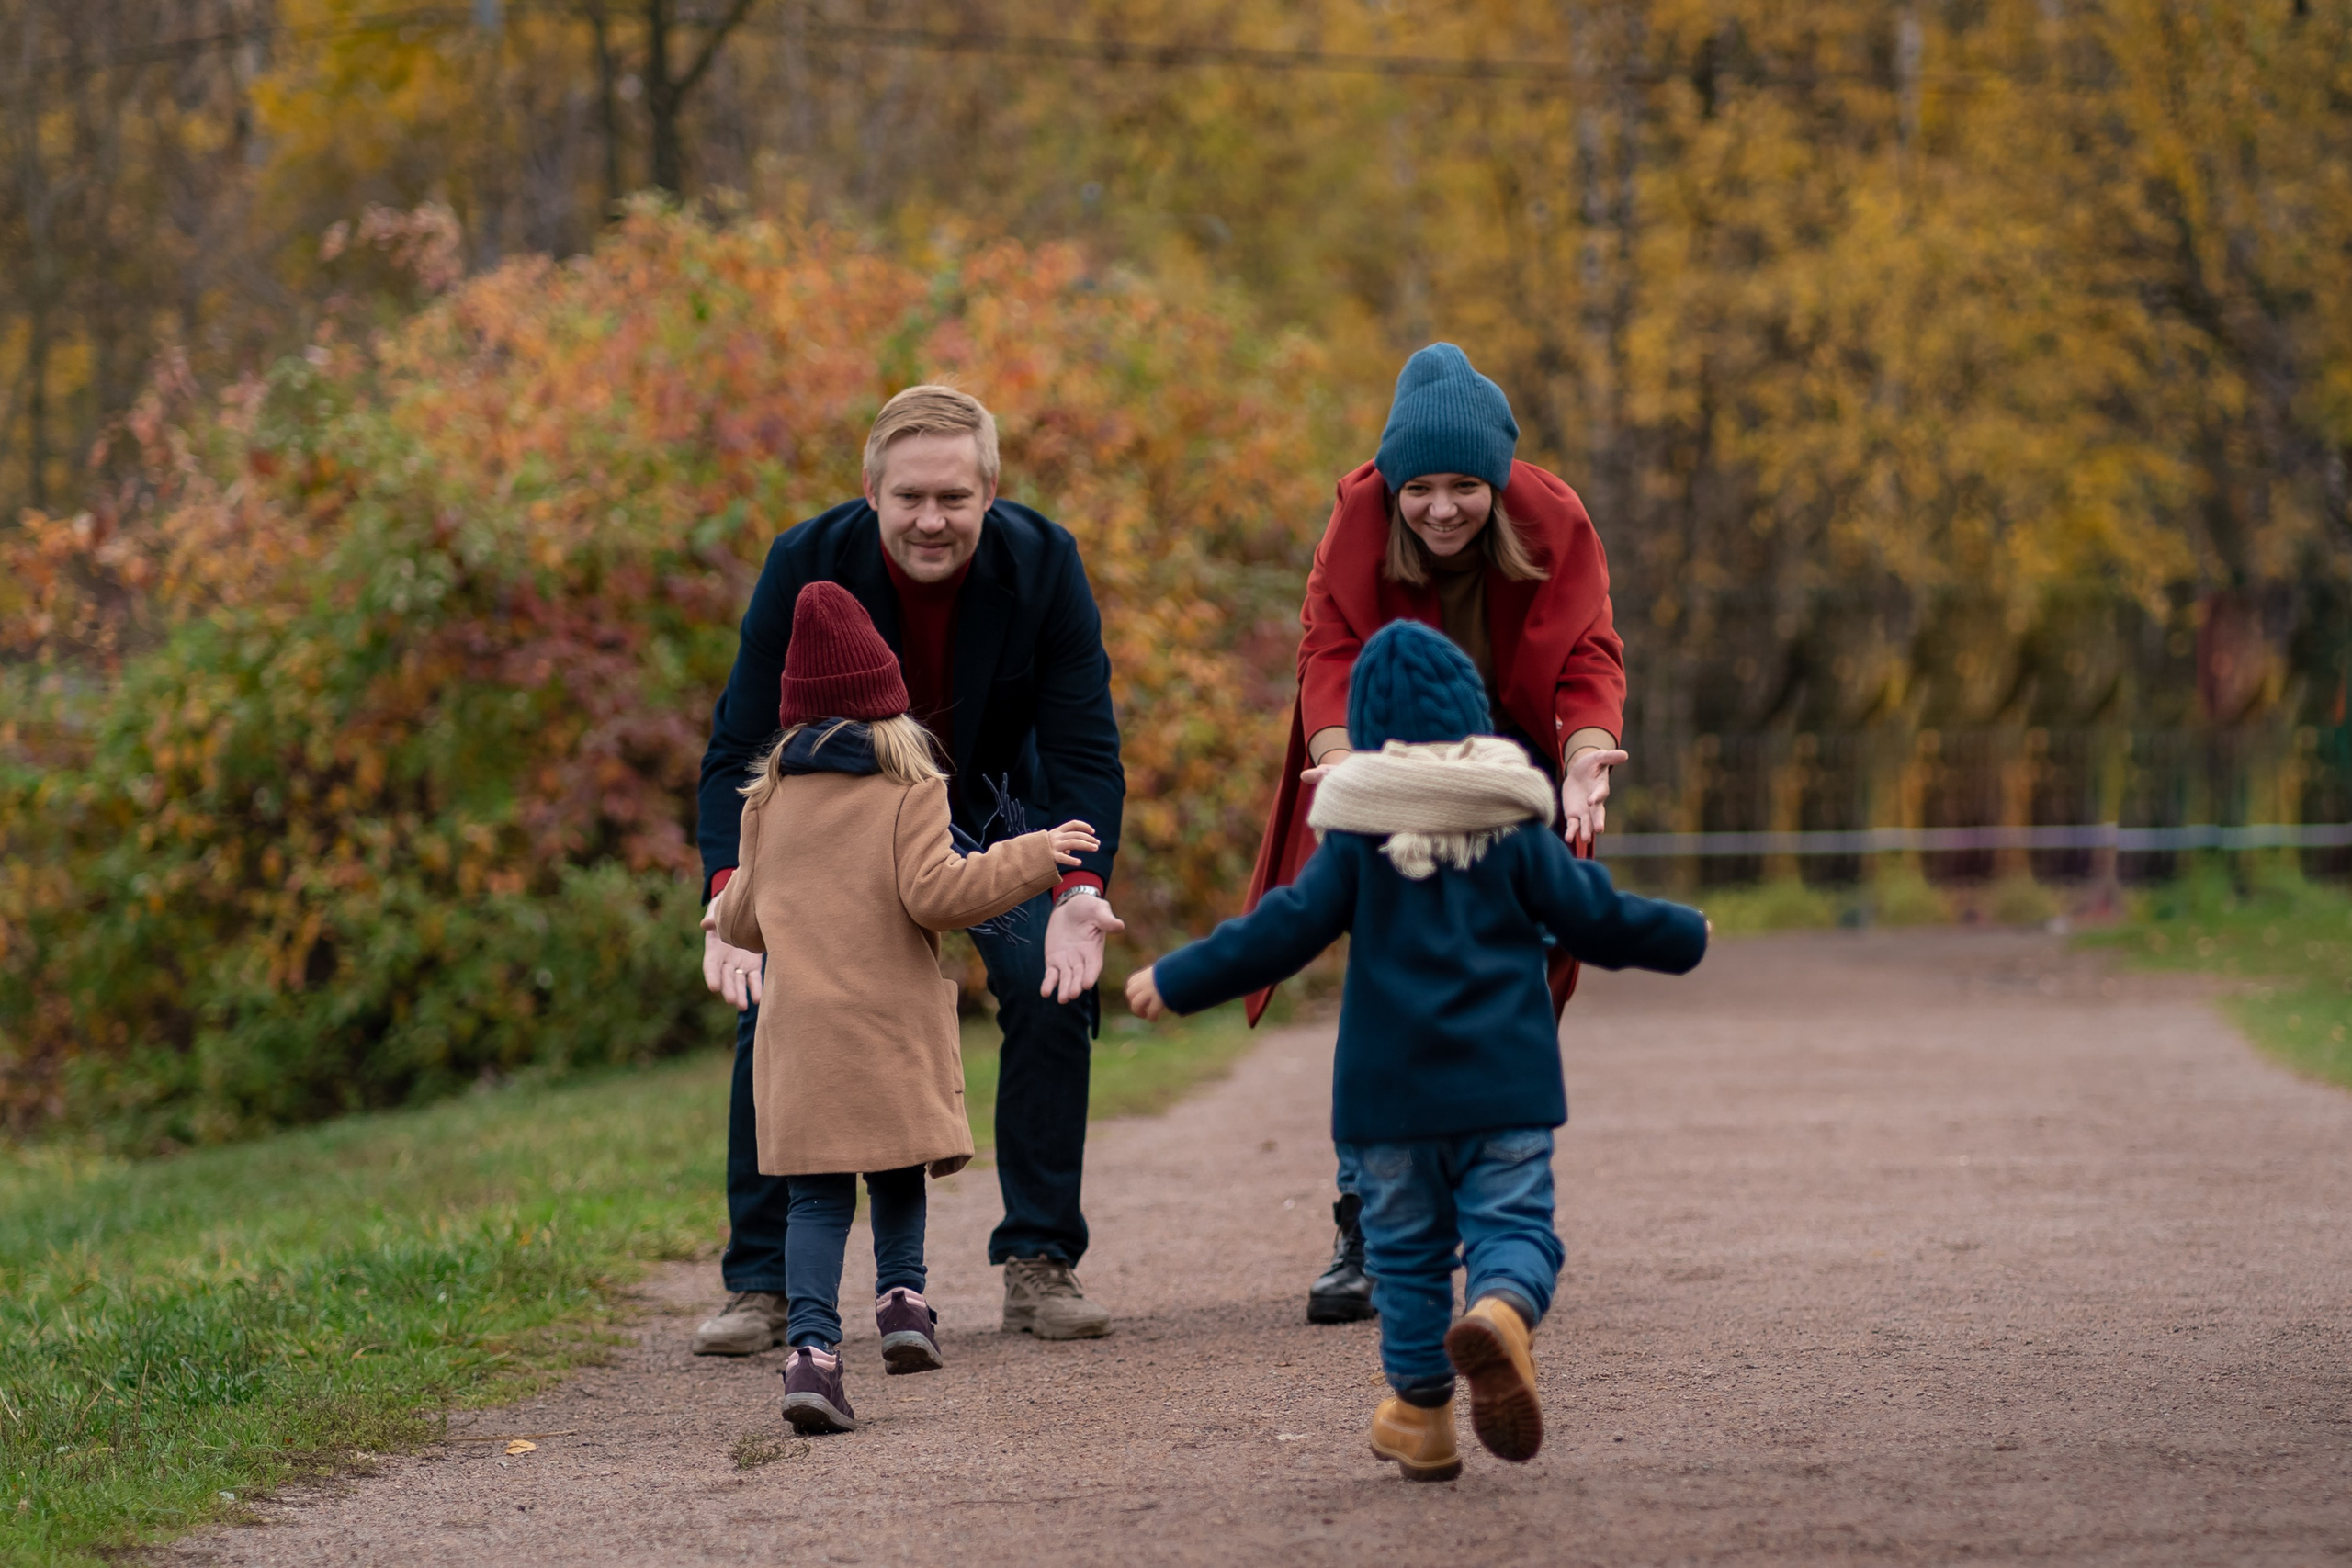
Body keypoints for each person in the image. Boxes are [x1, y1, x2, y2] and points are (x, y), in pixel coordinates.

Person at [1126, 621, 1708, 1482]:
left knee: (1404, 1261)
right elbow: (1596, 914)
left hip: (1386, 1104)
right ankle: (1505, 1311)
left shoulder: (1356, 840)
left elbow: (1282, 929)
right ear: (1476, 722)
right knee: (1514, 1229)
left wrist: (1177, 978)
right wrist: (1682, 935)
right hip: (1505, 1090)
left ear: (1367, 737)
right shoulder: (1515, 824)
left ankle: (1425, 1416)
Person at [693, 385, 1127, 1354]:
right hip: (839, 823)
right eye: (910, 499)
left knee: (1049, 983)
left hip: (995, 815)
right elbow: (736, 752)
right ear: (871, 492)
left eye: (954, 499)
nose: (932, 520)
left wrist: (1077, 891)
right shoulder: (806, 565)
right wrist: (730, 895)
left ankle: (1040, 1263)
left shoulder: (1045, 562)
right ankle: (760, 1285)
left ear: (990, 491)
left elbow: (1085, 750)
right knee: (774, 995)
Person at [1245, 343, 1630, 1325]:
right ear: (1394, 483)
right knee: (1392, 984)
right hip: (1392, 769)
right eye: (1423, 487)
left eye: (1466, 486)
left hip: (1512, 781)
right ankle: (1367, 1227)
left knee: (1518, 981)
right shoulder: (1358, 518)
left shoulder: (1556, 519)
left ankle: (1491, 1204)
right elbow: (1328, 644)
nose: (1444, 508)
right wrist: (1340, 755)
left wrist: (1588, 754)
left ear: (1499, 484)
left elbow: (1587, 651)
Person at [709, 581, 1099, 1433]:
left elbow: (743, 915)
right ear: (889, 706)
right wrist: (1034, 854)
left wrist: (721, 912)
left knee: (814, 1203)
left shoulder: (766, 801)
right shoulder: (908, 790)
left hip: (802, 1040)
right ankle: (901, 1301)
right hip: (885, 1031)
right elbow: (938, 893)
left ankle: (811, 1354)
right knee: (895, 1170)